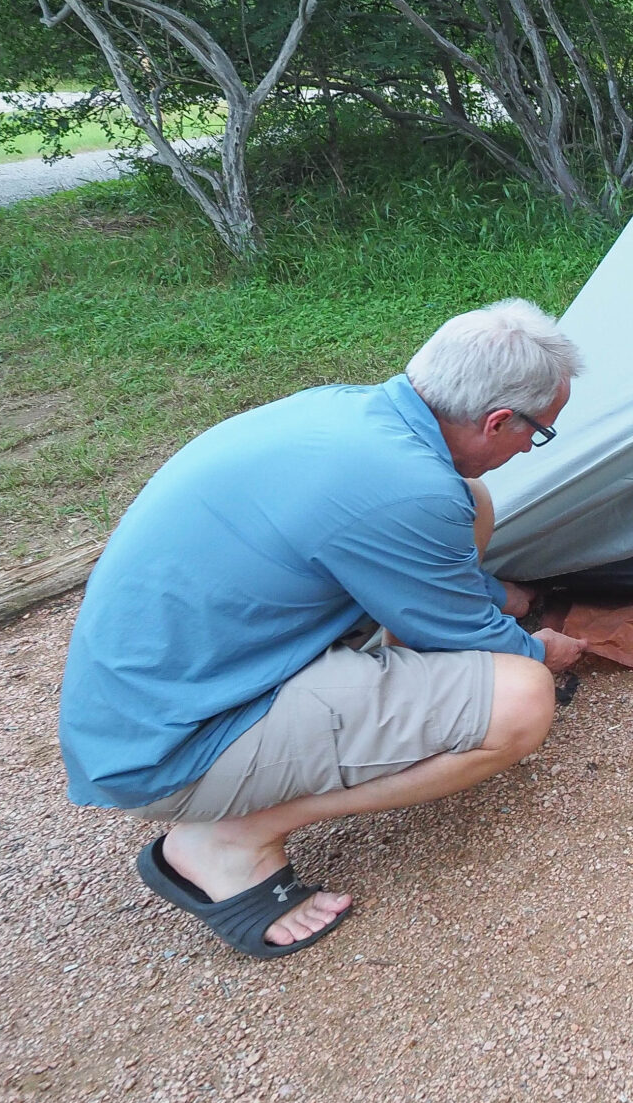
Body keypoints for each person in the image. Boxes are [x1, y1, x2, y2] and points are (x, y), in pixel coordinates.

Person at [58, 299, 586, 957]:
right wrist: (542, 648)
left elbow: (400, 553)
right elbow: (478, 636)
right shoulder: (408, 487)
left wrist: (503, 592)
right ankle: (228, 839)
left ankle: (382, 698)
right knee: (521, 698)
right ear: (497, 420)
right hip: (177, 748)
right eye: (537, 434)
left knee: (468, 503)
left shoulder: (352, 414)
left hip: (168, 690)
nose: (529, 448)